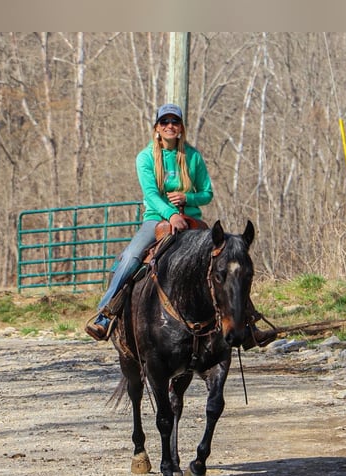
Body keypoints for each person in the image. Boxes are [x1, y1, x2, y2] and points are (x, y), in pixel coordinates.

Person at [85, 103, 276, 349]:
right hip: (156, 220)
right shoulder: (145, 158)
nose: (170, 126)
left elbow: (207, 193)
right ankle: (106, 313)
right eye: (164, 122)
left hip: (193, 221)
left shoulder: (192, 156)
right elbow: (151, 194)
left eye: (175, 122)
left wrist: (189, 199)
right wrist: (171, 214)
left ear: (181, 127)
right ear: (157, 128)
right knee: (131, 257)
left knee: (229, 263)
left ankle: (248, 324)